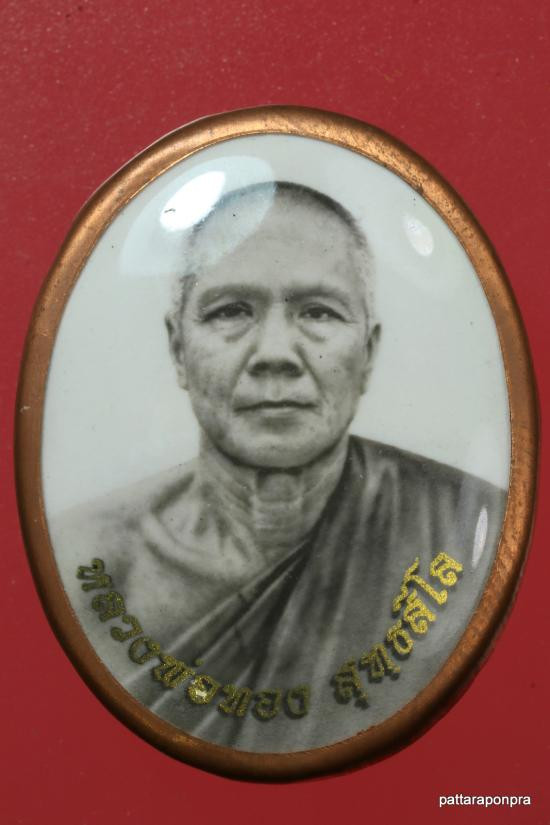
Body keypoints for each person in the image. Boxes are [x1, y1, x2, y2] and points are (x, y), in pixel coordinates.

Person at [52, 181, 506, 753]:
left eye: (318, 312)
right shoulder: (82, 560)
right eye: (231, 311)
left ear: (368, 353)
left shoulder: (470, 529)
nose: (274, 354)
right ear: (178, 349)